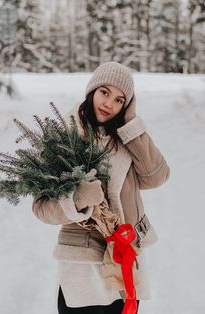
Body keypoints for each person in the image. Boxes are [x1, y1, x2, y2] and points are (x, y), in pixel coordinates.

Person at [32, 61, 170, 314]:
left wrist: (131, 124)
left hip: (124, 257)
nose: (109, 104)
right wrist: (76, 199)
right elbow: (41, 207)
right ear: (92, 91)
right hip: (83, 263)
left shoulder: (127, 137)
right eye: (104, 92)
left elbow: (156, 176)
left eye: (120, 100)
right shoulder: (64, 138)